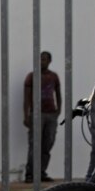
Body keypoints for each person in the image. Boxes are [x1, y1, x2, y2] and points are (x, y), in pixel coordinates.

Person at [23, 50, 62, 183]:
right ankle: (30, 173)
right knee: (34, 144)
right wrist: (27, 115)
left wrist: (58, 110)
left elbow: (58, 93)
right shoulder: (32, 76)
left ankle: (41, 172)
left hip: (51, 114)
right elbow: (26, 97)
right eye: (40, 59)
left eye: (44, 59)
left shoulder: (53, 76)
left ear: (49, 61)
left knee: (47, 143)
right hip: (37, 113)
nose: (42, 61)